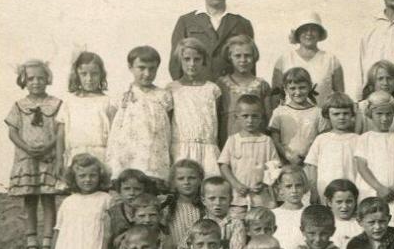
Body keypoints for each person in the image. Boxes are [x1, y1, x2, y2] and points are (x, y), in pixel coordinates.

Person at [6, 59, 61, 249]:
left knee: (48, 199)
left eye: (40, 78)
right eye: (31, 78)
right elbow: (12, 132)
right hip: (26, 159)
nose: (36, 82)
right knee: (30, 199)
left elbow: (60, 130)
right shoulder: (19, 106)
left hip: (48, 158)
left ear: (47, 78)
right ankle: (31, 241)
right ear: (23, 80)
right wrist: (27, 148)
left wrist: (48, 147)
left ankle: (47, 241)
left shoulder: (56, 104)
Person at [169, 0, 255, 82]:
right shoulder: (186, 21)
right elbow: (176, 62)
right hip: (197, 88)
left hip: (231, 91)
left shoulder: (242, 23)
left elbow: (250, 63)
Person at [46, 154, 112, 249]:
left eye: (92, 175)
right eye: (82, 176)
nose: (87, 180)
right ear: (74, 177)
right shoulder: (68, 201)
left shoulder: (105, 199)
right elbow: (58, 231)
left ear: (100, 176)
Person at [106, 46, 173, 185]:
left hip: (154, 159)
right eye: (141, 68)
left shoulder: (163, 95)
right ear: (130, 67)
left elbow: (169, 128)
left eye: (152, 68)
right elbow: (113, 127)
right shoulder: (121, 94)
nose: (147, 73)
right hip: (126, 157)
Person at [353, 91, 394, 227]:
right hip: (372, 191)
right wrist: (380, 188)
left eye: (388, 114)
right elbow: (362, 167)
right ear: (370, 115)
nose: (384, 119)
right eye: (379, 114)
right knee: (373, 223)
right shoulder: (365, 138)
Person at [218, 95, 280, 215]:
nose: (250, 121)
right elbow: (223, 165)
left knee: (260, 225)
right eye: (245, 116)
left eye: (254, 116)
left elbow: (275, 166)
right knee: (238, 227)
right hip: (238, 198)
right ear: (237, 117)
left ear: (261, 118)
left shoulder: (266, 141)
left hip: (261, 199)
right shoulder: (233, 140)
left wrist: (265, 182)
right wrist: (235, 184)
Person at [169, 38, 222, 177]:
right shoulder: (172, 89)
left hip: (208, 149)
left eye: (197, 59)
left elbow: (219, 121)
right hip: (181, 149)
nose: (192, 64)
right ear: (179, 61)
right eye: (186, 59)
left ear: (203, 61)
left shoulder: (212, 89)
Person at [272, 12, 344, 108]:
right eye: (304, 29)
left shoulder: (331, 60)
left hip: (322, 119)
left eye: (313, 29)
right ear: (297, 33)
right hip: (290, 119)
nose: (309, 33)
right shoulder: (284, 59)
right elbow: (275, 96)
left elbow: (340, 97)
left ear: (319, 33)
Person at [216, 35, 273, 148]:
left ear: (254, 56)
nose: (243, 60)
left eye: (247, 56)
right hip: (229, 142)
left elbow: (269, 119)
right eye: (238, 56)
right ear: (230, 57)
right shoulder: (220, 84)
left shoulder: (262, 85)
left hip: (256, 143)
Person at [58, 51, 111, 168]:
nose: (89, 78)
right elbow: (60, 134)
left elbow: (114, 134)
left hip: (101, 155)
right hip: (75, 154)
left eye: (94, 74)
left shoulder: (108, 102)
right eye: (84, 74)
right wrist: (59, 161)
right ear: (77, 75)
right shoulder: (69, 101)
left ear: (101, 75)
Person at [304, 93, 358, 203]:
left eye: (345, 113)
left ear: (352, 114)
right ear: (327, 115)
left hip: (351, 192)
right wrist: (314, 191)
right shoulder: (321, 139)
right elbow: (312, 167)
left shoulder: (358, 140)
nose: (341, 117)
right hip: (325, 191)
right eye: (336, 114)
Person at [178, 176, 246, 249]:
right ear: (203, 200)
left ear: (230, 200)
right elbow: (183, 247)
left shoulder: (236, 224)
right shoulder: (197, 224)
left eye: (222, 198)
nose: (217, 203)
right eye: (212, 198)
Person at [268, 67, 323, 166]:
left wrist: (308, 156)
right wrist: (288, 155)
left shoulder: (318, 113)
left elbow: (322, 139)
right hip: (286, 163)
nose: (297, 92)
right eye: (293, 88)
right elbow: (274, 140)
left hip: (311, 163)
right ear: (285, 89)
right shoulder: (279, 112)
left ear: (310, 87)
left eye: (302, 87)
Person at [103, 169, 153, 249]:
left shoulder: (148, 212)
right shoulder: (112, 214)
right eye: (127, 189)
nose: (132, 193)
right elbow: (105, 245)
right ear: (119, 191)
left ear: (144, 191)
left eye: (137, 189)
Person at [162, 159, 205, 249]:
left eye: (192, 178)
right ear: (174, 182)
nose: (186, 182)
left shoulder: (205, 207)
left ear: (200, 180)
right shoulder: (167, 208)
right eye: (181, 179)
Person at [355, 60, 394, 133]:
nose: (385, 83)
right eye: (380, 79)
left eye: (389, 78)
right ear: (373, 82)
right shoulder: (361, 107)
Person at [270, 166, 309, 249]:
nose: (294, 190)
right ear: (280, 190)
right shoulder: (273, 215)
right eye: (288, 186)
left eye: (298, 185)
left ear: (304, 187)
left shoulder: (311, 213)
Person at [324, 179, 363, 249]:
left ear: (355, 201)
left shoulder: (361, 224)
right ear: (329, 202)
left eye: (349, 201)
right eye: (339, 202)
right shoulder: (324, 224)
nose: (344, 206)